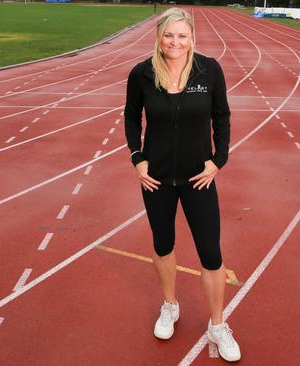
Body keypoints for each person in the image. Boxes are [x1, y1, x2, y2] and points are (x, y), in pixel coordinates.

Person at [124, 8, 240, 362]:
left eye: (182, 36)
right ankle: (170, 306)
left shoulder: (209, 70)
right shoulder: (142, 74)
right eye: (169, 35)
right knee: (163, 245)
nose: (175, 42)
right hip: (156, 178)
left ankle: (217, 325)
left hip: (197, 178)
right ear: (159, 37)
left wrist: (218, 160)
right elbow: (131, 115)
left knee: (211, 253)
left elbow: (222, 115)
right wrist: (137, 157)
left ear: (192, 38)